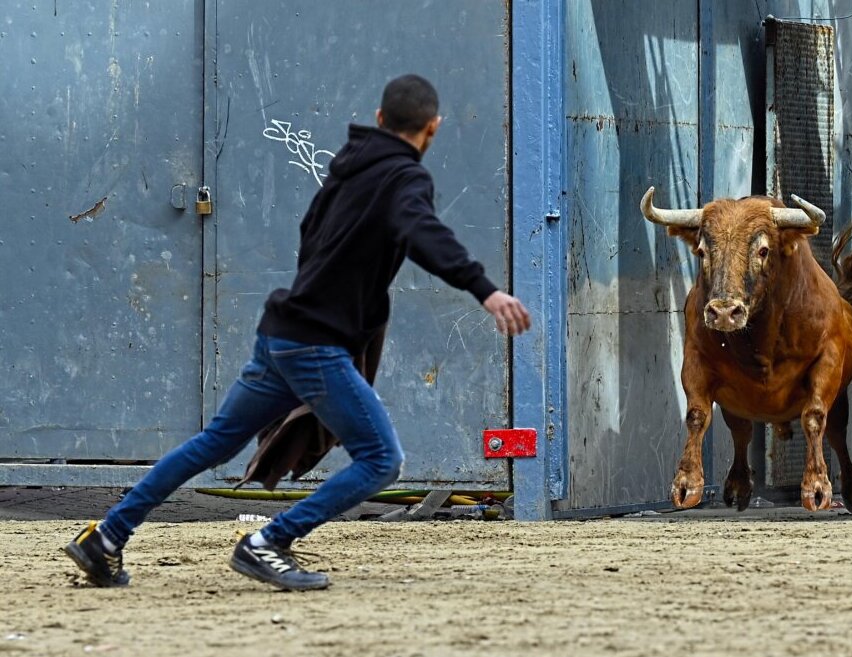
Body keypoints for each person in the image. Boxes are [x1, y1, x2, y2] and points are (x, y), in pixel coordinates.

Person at [64, 74, 531, 591]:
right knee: (381, 461)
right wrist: (484, 288)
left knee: (214, 443)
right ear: (433, 129)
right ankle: (268, 542)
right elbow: (422, 230)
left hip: (282, 331)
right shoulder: (404, 179)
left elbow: (311, 238)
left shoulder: (346, 171)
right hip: (315, 344)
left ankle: (107, 537)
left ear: (380, 119)